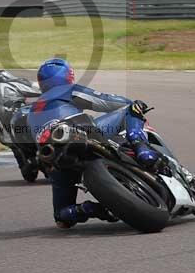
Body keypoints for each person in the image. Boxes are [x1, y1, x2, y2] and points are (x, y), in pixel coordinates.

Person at [27, 58, 159, 229]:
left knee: (62, 217)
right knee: (131, 110)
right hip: (82, 133)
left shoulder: (31, 110)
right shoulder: (67, 90)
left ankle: (89, 209)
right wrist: (135, 105)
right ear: (67, 76)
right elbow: (105, 101)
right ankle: (141, 148)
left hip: (56, 160)